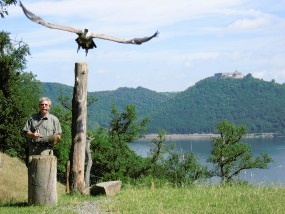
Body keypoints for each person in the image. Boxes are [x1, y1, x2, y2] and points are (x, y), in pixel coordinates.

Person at [23, 97, 62, 166]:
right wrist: (32, 135)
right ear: (39, 106)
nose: (44, 106)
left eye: (46, 105)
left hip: (46, 150)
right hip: (33, 149)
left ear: (49, 107)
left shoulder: (54, 120)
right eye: (42, 104)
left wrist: (52, 141)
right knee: (32, 172)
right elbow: (26, 133)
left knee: (45, 172)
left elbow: (58, 136)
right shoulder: (32, 118)